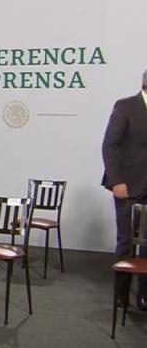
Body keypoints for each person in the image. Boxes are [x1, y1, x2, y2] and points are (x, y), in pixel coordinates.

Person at [101, 69, 147, 311]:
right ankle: (121, 295)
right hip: (128, 186)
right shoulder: (126, 106)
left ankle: (144, 296)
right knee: (126, 241)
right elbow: (109, 146)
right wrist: (116, 180)